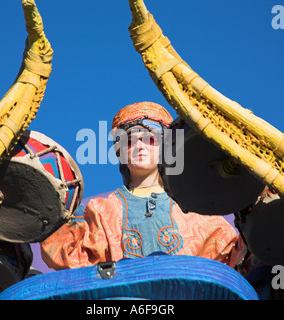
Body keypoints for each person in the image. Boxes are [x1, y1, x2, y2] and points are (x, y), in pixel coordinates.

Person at [41, 101, 243, 270]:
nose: (139, 146)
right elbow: (65, 255)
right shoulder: (98, 211)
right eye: (129, 141)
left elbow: (231, 260)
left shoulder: (198, 209)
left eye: (150, 139)